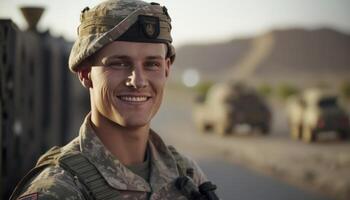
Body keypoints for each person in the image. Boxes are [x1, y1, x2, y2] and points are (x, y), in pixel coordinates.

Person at [10, 0, 219, 199]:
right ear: (85, 73)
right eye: (119, 64)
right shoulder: (57, 190)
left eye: (152, 64)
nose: (137, 81)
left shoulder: (187, 175)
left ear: (166, 69)